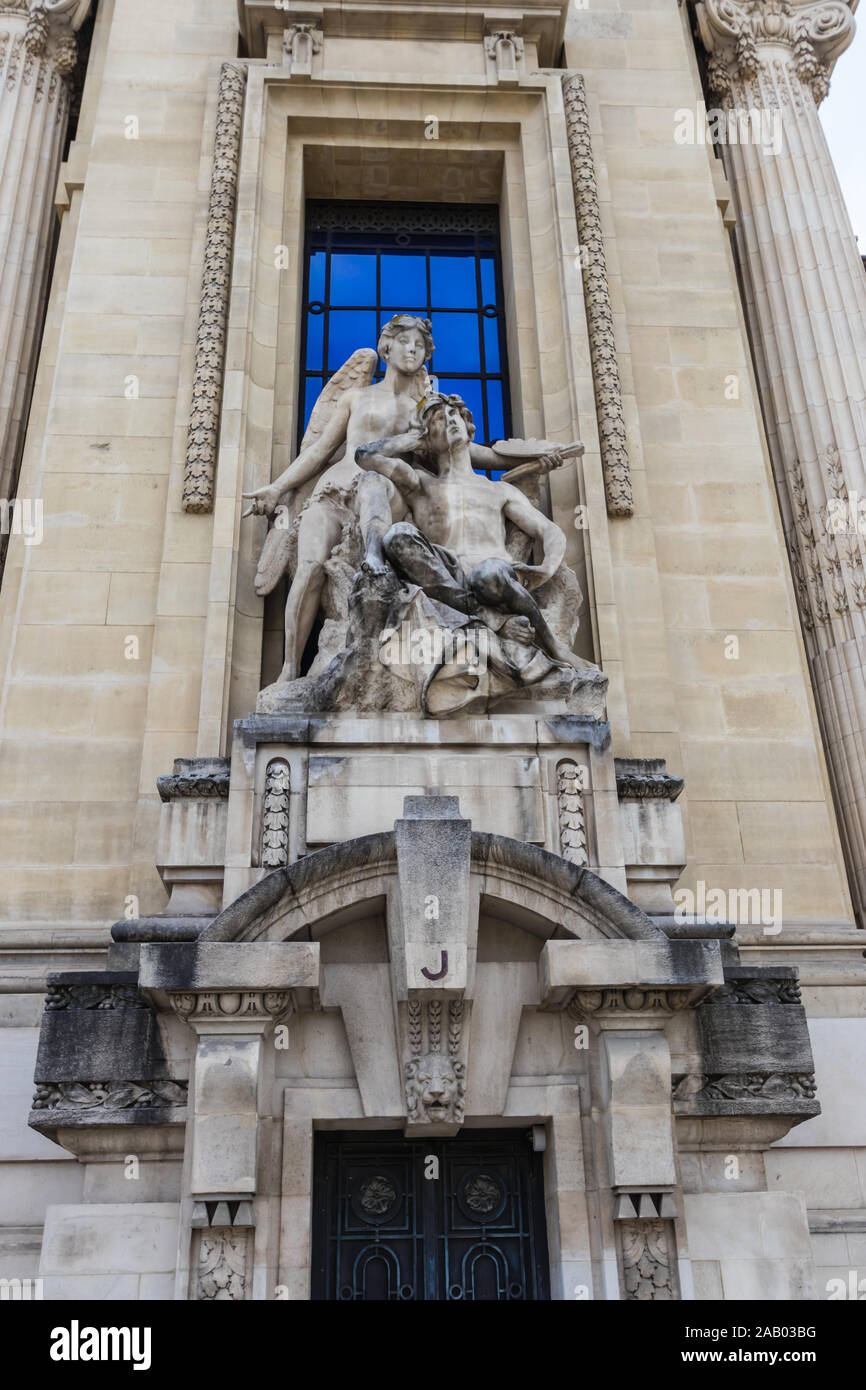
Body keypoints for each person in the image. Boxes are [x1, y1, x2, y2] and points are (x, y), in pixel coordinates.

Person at [355, 393, 586, 669]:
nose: (450, 421)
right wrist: (416, 440)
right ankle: (489, 620)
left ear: (468, 426)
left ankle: (554, 647)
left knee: (488, 573)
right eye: (440, 418)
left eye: (455, 415)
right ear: (428, 436)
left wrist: (546, 568)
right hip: (446, 577)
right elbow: (366, 456)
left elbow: (548, 530)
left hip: (495, 580)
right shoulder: (421, 484)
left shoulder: (498, 489)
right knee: (397, 535)